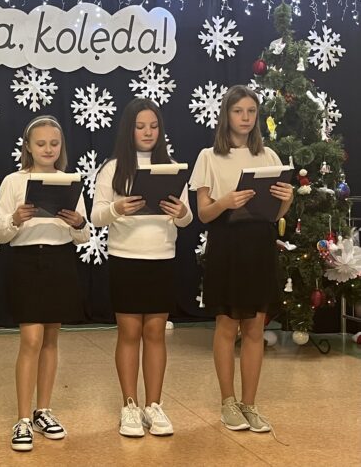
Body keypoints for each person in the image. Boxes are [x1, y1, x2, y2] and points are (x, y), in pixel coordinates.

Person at [189, 85, 293, 432]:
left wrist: (287, 198)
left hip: (259, 244)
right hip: (227, 243)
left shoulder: (269, 155)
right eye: (238, 111)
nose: (245, 118)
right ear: (226, 115)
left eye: (251, 111)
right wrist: (226, 201)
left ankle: (250, 403)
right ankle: (228, 402)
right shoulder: (209, 156)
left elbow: (277, 212)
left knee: (255, 326)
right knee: (226, 324)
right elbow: (204, 213)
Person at [91, 98, 192, 437]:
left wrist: (181, 213)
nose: (148, 132)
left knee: (155, 334)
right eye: (140, 126)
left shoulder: (172, 166)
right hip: (126, 258)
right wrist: (118, 208)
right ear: (128, 130)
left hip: (161, 258)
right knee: (130, 333)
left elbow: (186, 218)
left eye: (153, 126)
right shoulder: (113, 168)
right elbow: (96, 215)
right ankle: (130, 406)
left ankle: (154, 405)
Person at [0, 115, 90, 452]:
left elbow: (84, 236)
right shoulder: (13, 181)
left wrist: (78, 222)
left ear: (61, 147)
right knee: (31, 339)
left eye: (54, 143)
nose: (48, 149)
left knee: (50, 338)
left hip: (60, 260)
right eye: (41, 143)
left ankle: (43, 411)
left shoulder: (69, 181)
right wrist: (15, 219)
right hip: (26, 261)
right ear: (28, 147)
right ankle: (22, 417)